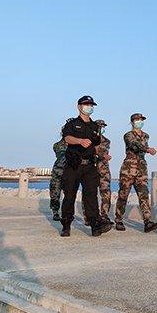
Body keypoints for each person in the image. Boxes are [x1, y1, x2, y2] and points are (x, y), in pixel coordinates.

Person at [60, 96, 112, 237]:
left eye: (91, 105)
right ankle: (66, 224)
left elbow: (96, 147)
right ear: (79, 106)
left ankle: (95, 225)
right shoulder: (72, 123)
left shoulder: (95, 126)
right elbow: (67, 138)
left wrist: (103, 155)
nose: (89, 107)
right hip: (74, 165)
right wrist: (80, 140)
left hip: (90, 166)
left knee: (91, 196)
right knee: (69, 195)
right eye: (86, 104)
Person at [114, 113, 157, 233]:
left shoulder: (146, 136)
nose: (140, 121)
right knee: (123, 195)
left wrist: (147, 150)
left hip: (141, 169)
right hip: (128, 169)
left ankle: (147, 222)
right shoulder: (128, 135)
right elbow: (133, 145)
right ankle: (119, 220)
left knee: (144, 195)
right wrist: (148, 149)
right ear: (132, 122)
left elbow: (141, 146)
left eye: (141, 119)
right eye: (137, 119)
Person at [95, 119, 113, 223]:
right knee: (90, 193)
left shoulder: (106, 141)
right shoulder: (90, 140)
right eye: (99, 126)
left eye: (103, 126)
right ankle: (88, 217)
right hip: (91, 169)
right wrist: (102, 155)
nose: (101, 128)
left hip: (104, 170)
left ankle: (104, 216)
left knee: (106, 193)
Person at [49, 134, 66, 221]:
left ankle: (66, 213)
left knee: (69, 195)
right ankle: (55, 212)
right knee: (55, 192)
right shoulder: (57, 145)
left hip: (69, 172)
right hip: (58, 171)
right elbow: (60, 155)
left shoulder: (75, 145)